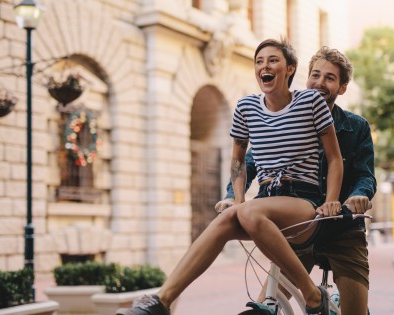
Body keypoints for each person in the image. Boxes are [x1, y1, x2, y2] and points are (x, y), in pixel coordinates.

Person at [117, 38, 344, 315]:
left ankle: (311, 295)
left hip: (303, 203)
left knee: (248, 212)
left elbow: (334, 158)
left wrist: (331, 200)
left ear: (290, 69)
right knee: (227, 218)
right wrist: (237, 199)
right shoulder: (246, 107)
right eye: (259, 62)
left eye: (273, 60)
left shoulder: (310, 101)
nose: (265, 66)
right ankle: (161, 301)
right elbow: (238, 160)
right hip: (265, 201)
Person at [217, 46, 376, 315]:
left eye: (329, 78)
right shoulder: (289, 117)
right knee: (266, 303)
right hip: (300, 227)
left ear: (342, 87)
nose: (319, 83)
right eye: (315, 75)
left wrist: (357, 196)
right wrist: (233, 195)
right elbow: (249, 163)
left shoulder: (356, 126)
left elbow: (364, 174)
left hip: (342, 229)